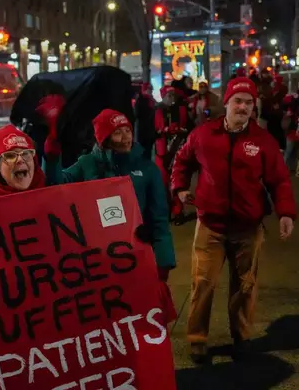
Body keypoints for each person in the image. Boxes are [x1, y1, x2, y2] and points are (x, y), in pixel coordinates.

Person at [171, 77, 297, 364]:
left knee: (245, 286)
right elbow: (182, 161)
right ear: (226, 103)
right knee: (202, 283)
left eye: (249, 103)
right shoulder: (202, 135)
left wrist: (286, 213)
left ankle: (241, 336)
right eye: (237, 101)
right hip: (210, 226)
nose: (243, 107)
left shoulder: (263, 141)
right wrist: (179, 188)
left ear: (255, 107)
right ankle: (197, 338)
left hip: (247, 228)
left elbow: (279, 181)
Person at [37, 99, 177, 323]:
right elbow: (55, 188)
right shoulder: (87, 164)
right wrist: (52, 155)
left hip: (136, 255)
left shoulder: (146, 168)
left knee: (140, 318)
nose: (126, 137)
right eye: (118, 132)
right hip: (98, 258)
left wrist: (163, 261)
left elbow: (159, 217)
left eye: (127, 130)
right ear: (104, 139)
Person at [155, 86, 189, 224]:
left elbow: (187, 126)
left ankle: (178, 212)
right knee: (162, 184)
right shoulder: (157, 110)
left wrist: (180, 130)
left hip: (177, 149)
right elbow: (153, 129)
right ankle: (165, 212)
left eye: (173, 95)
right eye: (168, 95)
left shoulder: (180, 109)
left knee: (177, 182)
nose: (171, 97)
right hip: (161, 151)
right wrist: (163, 130)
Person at [134, 82, 157, 160]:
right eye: (149, 89)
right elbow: (137, 114)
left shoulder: (152, 100)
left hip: (150, 131)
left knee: (148, 153)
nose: (151, 91)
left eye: (151, 89)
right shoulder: (141, 100)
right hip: (143, 131)